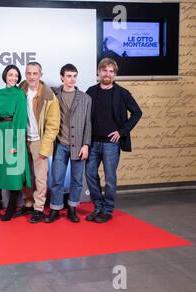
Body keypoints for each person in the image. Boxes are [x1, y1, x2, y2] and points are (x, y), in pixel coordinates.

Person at [85, 58, 142, 223]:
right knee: (89, 174)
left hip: (111, 144)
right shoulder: (91, 91)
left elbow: (137, 113)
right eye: (104, 70)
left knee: (110, 178)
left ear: (115, 74)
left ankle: (108, 210)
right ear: (99, 72)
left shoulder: (122, 93)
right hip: (93, 142)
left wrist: (122, 131)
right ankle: (98, 206)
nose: (107, 74)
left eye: (111, 71)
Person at [47, 64, 92, 223]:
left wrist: (86, 145)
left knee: (77, 179)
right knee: (57, 179)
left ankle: (72, 208)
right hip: (60, 145)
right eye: (68, 76)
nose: (72, 79)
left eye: (74, 76)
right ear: (61, 77)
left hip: (79, 145)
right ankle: (55, 208)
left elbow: (88, 124)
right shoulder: (54, 94)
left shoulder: (85, 98)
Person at [16, 62, 60, 223]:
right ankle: (28, 203)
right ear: (25, 74)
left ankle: (39, 208)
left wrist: (45, 146)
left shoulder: (49, 97)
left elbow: (53, 125)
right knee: (24, 175)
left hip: (38, 141)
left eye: (35, 73)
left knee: (40, 177)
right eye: (29, 73)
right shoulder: (20, 91)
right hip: (22, 140)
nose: (32, 76)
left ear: (41, 75)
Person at [0, 65, 31, 221]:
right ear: (5, 76)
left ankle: (11, 209)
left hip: (13, 133)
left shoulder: (20, 95)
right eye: (10, 74)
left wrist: (15, 144)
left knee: (14, 173)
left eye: (16, 75)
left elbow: (20, 120)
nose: (13, 78)